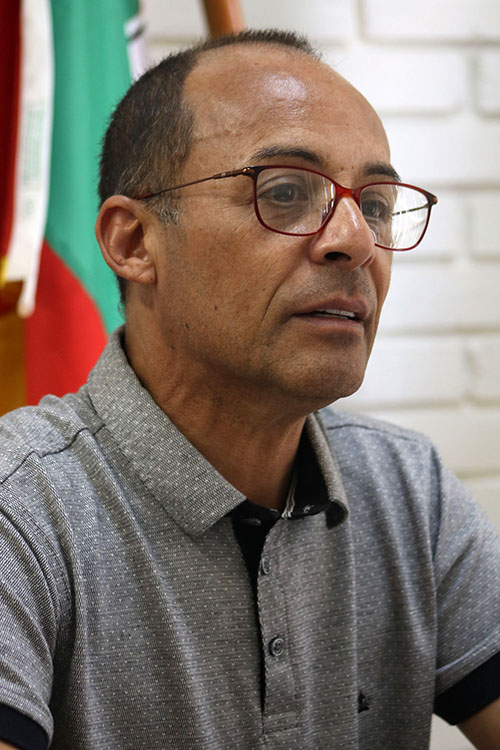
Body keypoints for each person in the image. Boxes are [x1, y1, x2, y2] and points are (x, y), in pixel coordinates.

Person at [0, 28, 499, 750]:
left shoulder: (406, 487)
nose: (357, 241)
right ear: (134, 242)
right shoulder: (21, 510)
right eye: (286, 192)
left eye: (376, 205)